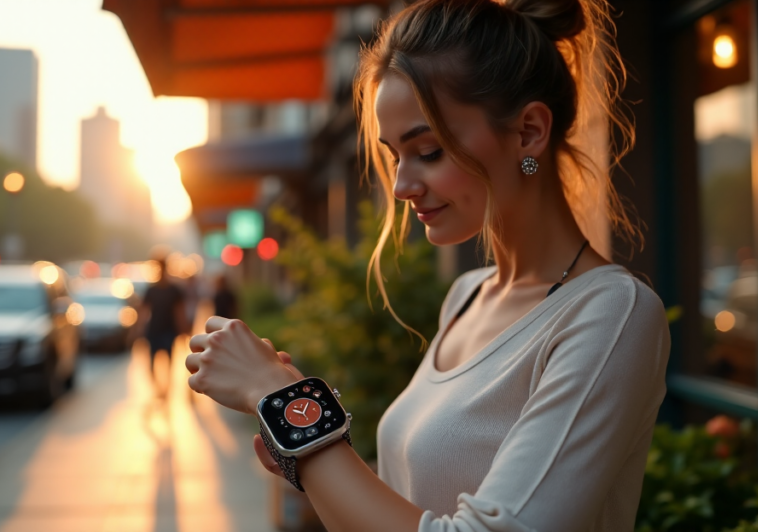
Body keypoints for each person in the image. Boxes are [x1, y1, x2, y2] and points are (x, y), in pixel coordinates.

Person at [184, 1, 670, 530]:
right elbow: (414, 503)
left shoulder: (610, 314)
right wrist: (307, 451)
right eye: (396, 155)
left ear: (529, 132)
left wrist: (286, 407)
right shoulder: (467, 295)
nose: (401, 186)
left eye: (430, 150)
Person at [140, 258, 188, 389]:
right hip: (155, 329)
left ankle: (165, 387)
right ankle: (158, 386)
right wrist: (138, 329)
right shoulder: (152, 290)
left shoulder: (174, 290)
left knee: (169, 360)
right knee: (152, 361)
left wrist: (183, 329)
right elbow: (144, 312)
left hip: (168, 330)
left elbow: (179, 312)